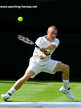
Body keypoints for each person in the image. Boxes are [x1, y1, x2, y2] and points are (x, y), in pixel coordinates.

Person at [1, 26, 74, 101]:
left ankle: (66, 88)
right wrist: (44, 53)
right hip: (36, 63)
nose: (53, 36)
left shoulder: (56, 40)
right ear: (47, 33)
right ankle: (8, 94)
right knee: (25, 77)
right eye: (52, 33)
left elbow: (53, 46)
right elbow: (41, 57)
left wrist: (45, 48)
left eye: (55, 34)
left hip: (47, 62)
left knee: (66, 68)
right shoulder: (40, 40)